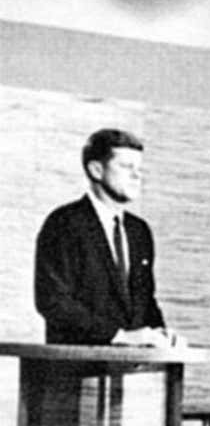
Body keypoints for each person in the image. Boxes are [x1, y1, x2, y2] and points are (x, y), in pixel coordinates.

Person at [34, 128, 178, 347]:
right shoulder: (64, 223)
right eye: (126, 167)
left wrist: (160, 333)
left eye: (139, 168)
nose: (137, 175)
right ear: (96, 170)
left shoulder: (139, 231)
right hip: (76, 369)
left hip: (129, 371)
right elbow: (53, 301)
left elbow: (144, 300)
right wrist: (118, 336)